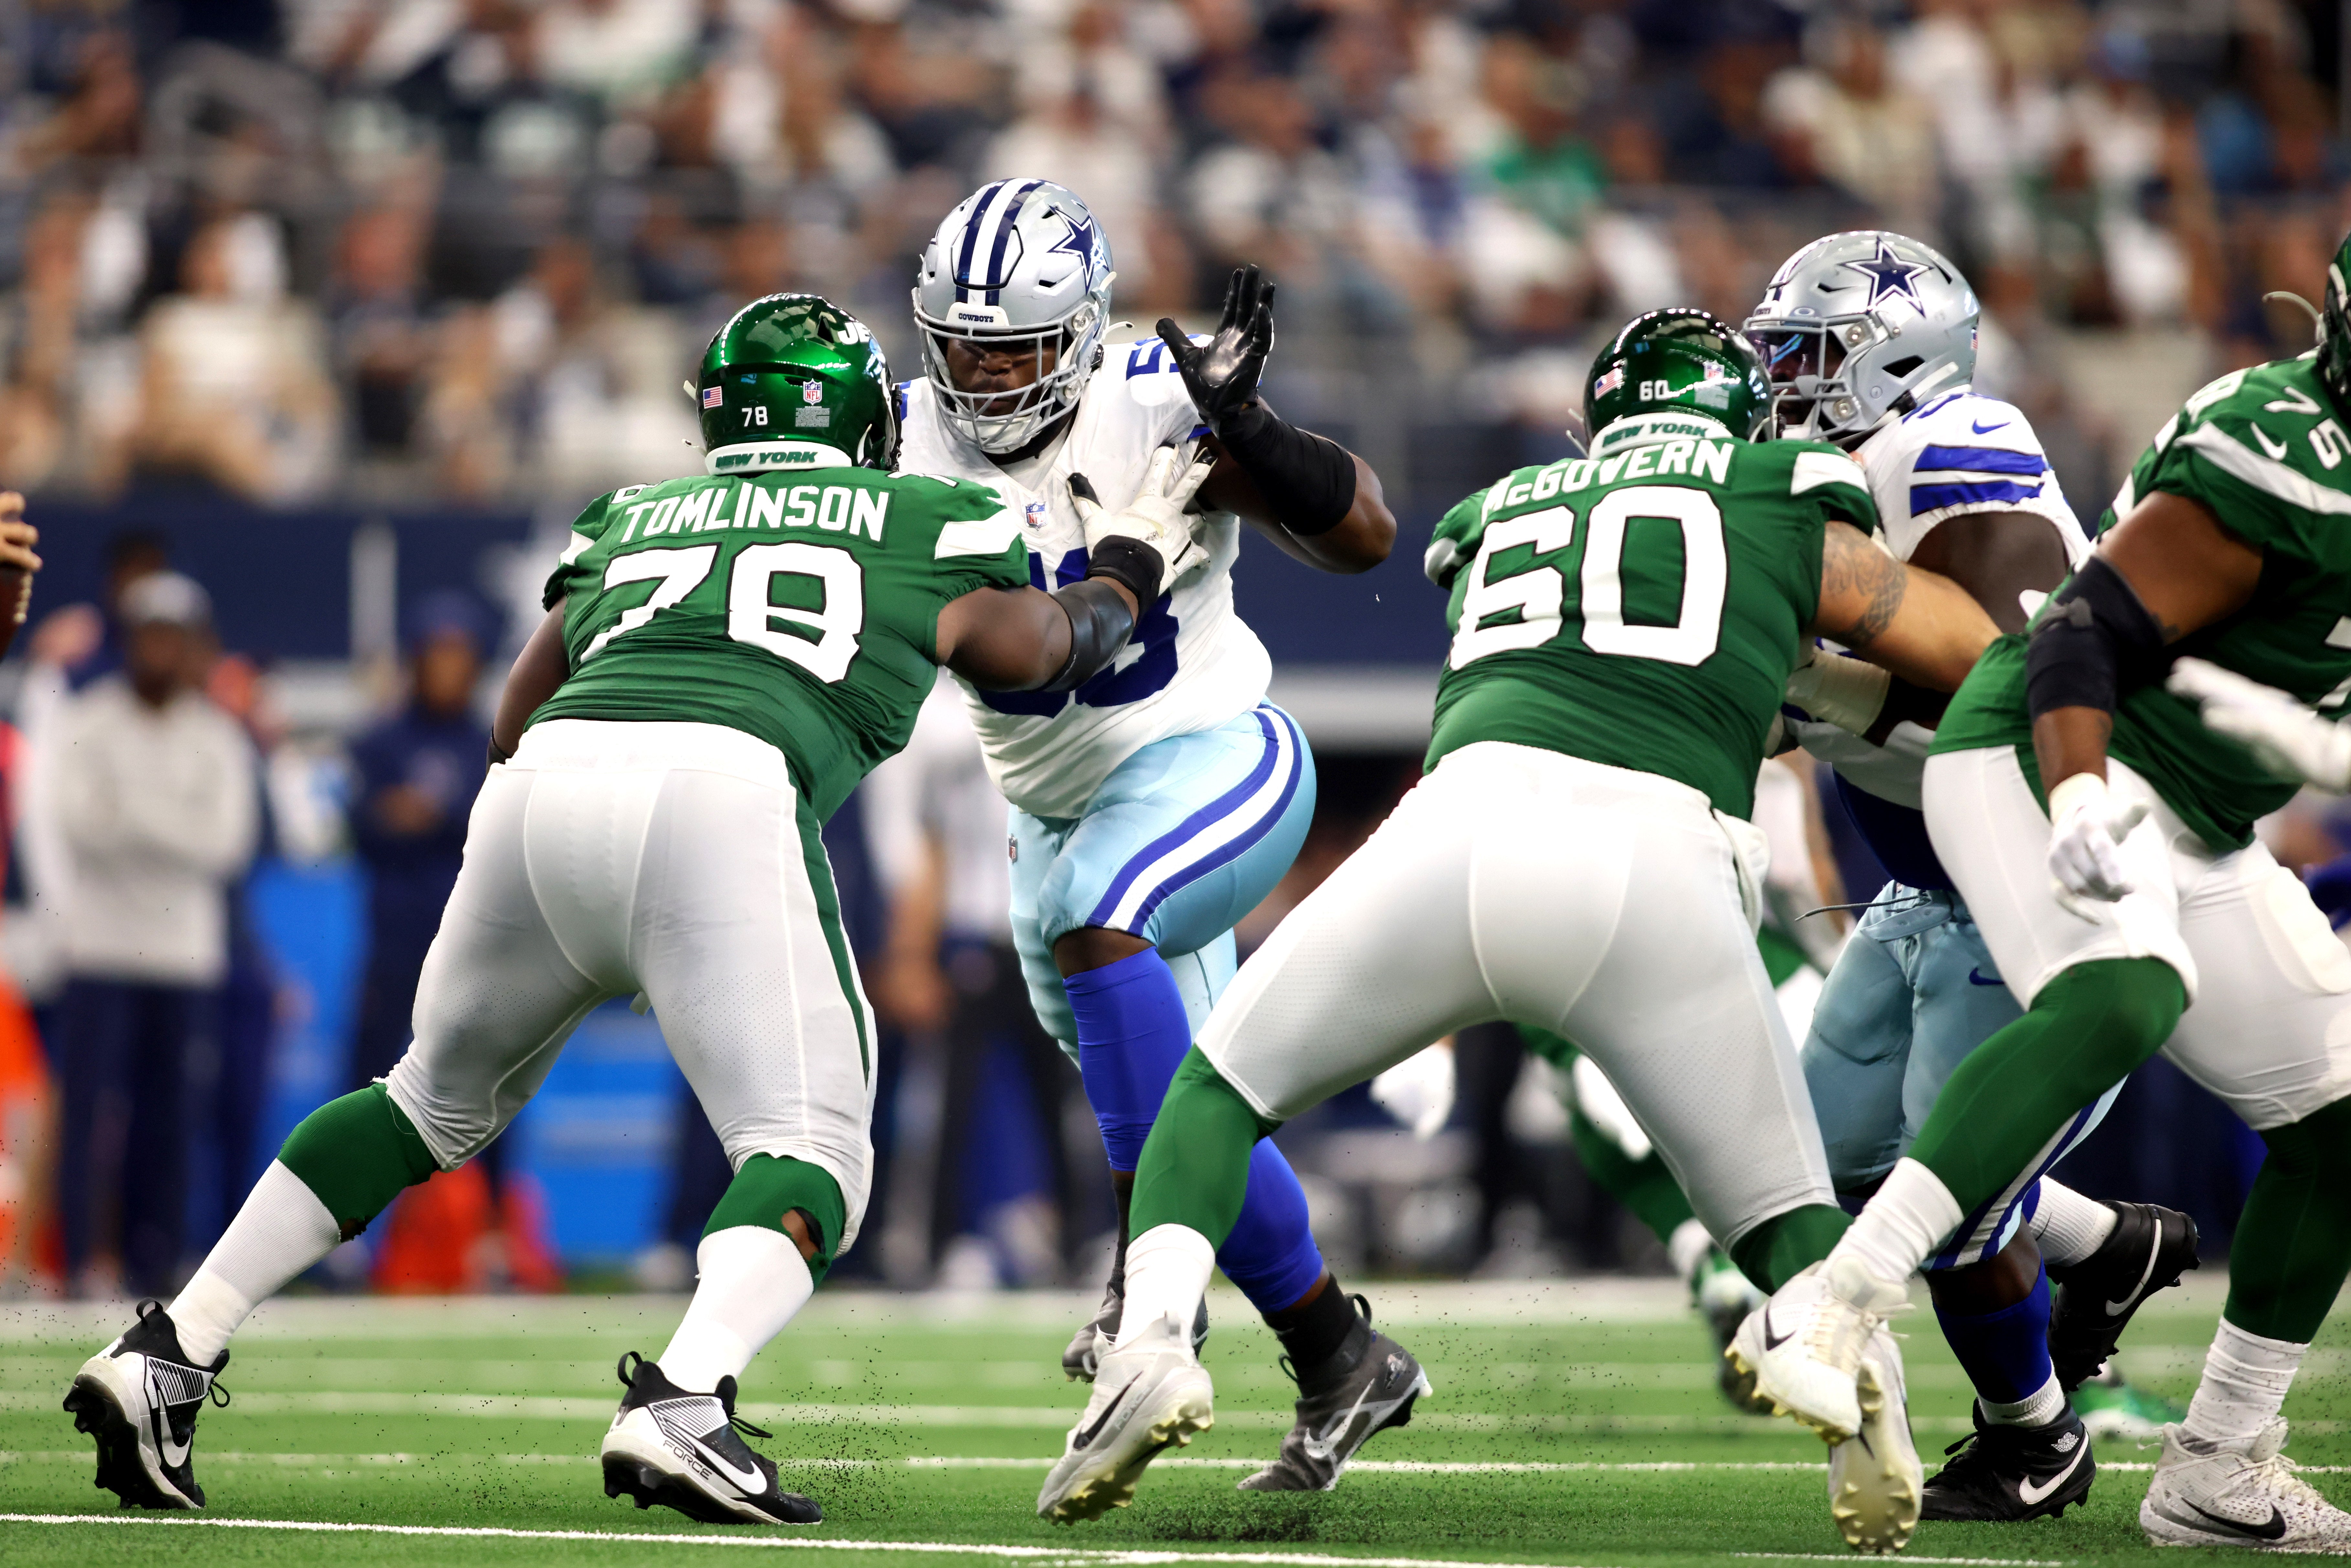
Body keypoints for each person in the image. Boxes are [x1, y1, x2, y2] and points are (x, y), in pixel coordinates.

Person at [60, 291, 1214, 1525]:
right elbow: (1040, 649)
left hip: (542, 788)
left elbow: (512, 714)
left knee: (422, 1101)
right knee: (813, 1151)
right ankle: (687, 1400)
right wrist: (1133, 567)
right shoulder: (926, 508)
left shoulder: (635, 512)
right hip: (722, 788)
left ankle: (171, 1347)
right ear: (863, 414)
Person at [1037, 310, 1999, 1549]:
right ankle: (1862, 1385)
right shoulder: (1781, 481)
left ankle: (1154, 1340)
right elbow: (1962, 650)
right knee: (1780, 1216)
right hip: (1655, 859)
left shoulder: (1509, 506)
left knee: (1215, 1098)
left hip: (1456, 833)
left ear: (1599, 419)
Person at [1746, 230, 2351, 1552]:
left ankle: (2216, 1464)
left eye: (1804, 355)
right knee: (2115, 993)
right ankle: (1851, 1299)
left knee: (2338, 1122)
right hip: (2044, 754)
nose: (1778, 381)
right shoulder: (2275, 442)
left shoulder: (1917, 449)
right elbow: (2050, 633)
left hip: (2181, 820)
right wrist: (2073, 790)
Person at [900, 178, 1417, 1490]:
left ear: (1074, 333)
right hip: (1049, 810)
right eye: (958, 344)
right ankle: (1335, 1355)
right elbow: (1029, 666)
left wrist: (1251, 429)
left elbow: (1362, 534)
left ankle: (1149, 1312)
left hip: (1212, 756)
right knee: (1189, 1101)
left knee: (1100, 926)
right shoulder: (898, 439)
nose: (979, 374)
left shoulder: (1148, 393)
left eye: (1010, 346)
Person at [52, 573, 258, 1296]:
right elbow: (77, 826)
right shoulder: (89, 718)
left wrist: (131, 818)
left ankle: (158, 1261)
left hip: (182, 955)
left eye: (175, 637)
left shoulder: (218, 735)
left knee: (172, 1119)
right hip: (101, 948)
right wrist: (172, 827)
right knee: (88, 1112)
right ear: (129, 640)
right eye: (150, 636)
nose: (162, 650)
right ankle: (82, 1261)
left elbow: (226, 844)